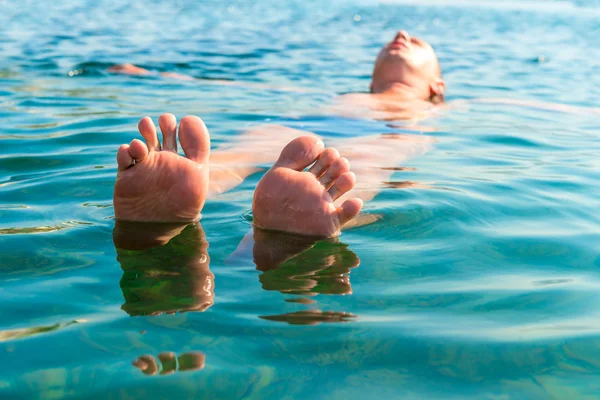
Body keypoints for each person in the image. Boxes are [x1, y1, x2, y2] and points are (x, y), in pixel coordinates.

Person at [113, 30, 443, 236]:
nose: (401, 33)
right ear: (371, 81)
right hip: (308, 126)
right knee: (251, 145)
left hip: (390, 132)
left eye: (415, 41)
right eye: (394, 40)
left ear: (436, 86)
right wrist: (152, 74)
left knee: (362, 164)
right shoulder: (349, 96)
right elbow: (249, 86)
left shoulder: (442, 105)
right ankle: (179, 195)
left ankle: (302, 221)